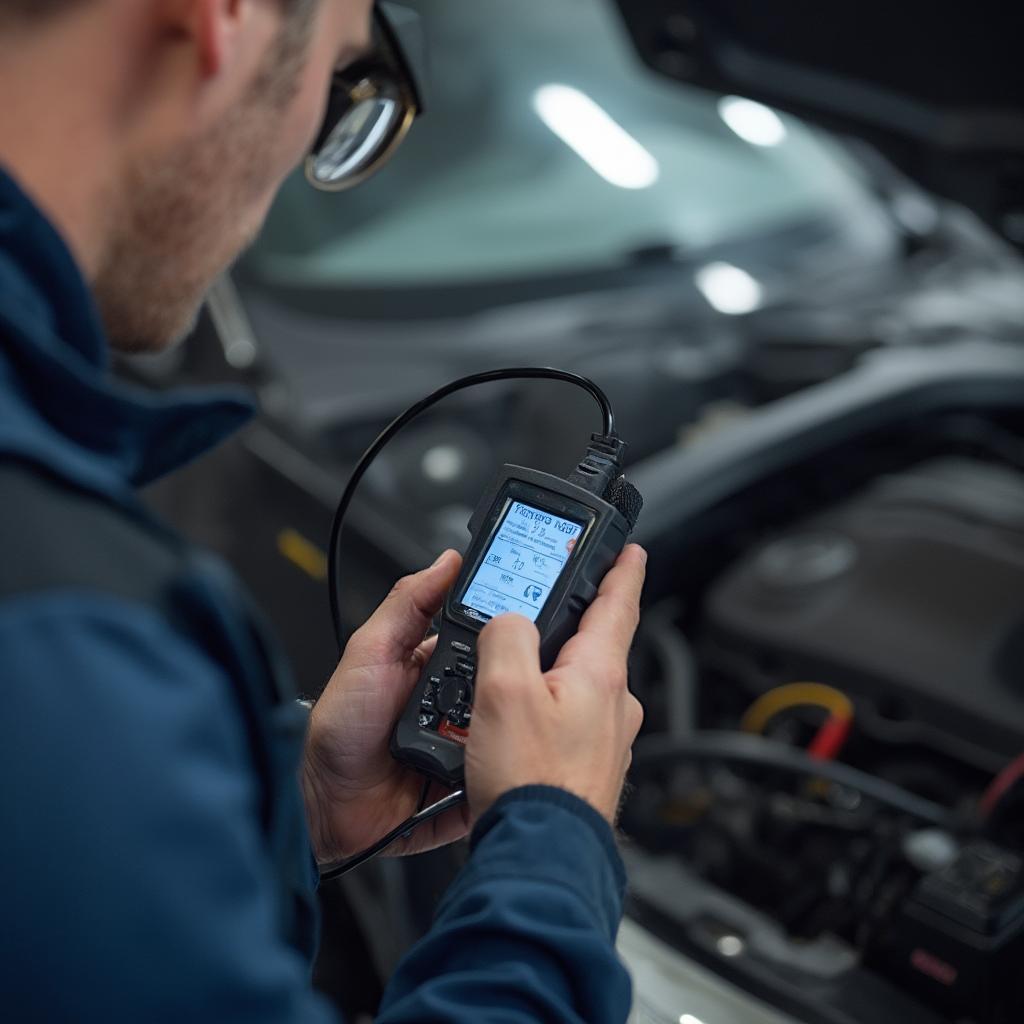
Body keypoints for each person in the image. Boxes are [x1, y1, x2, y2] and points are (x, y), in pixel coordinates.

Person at [0, 1, 647, 1021]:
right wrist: (555, 836)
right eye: (347, 80)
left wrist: (286, 806)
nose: (307, 155)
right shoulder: (61, 626)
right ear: (228, 17)